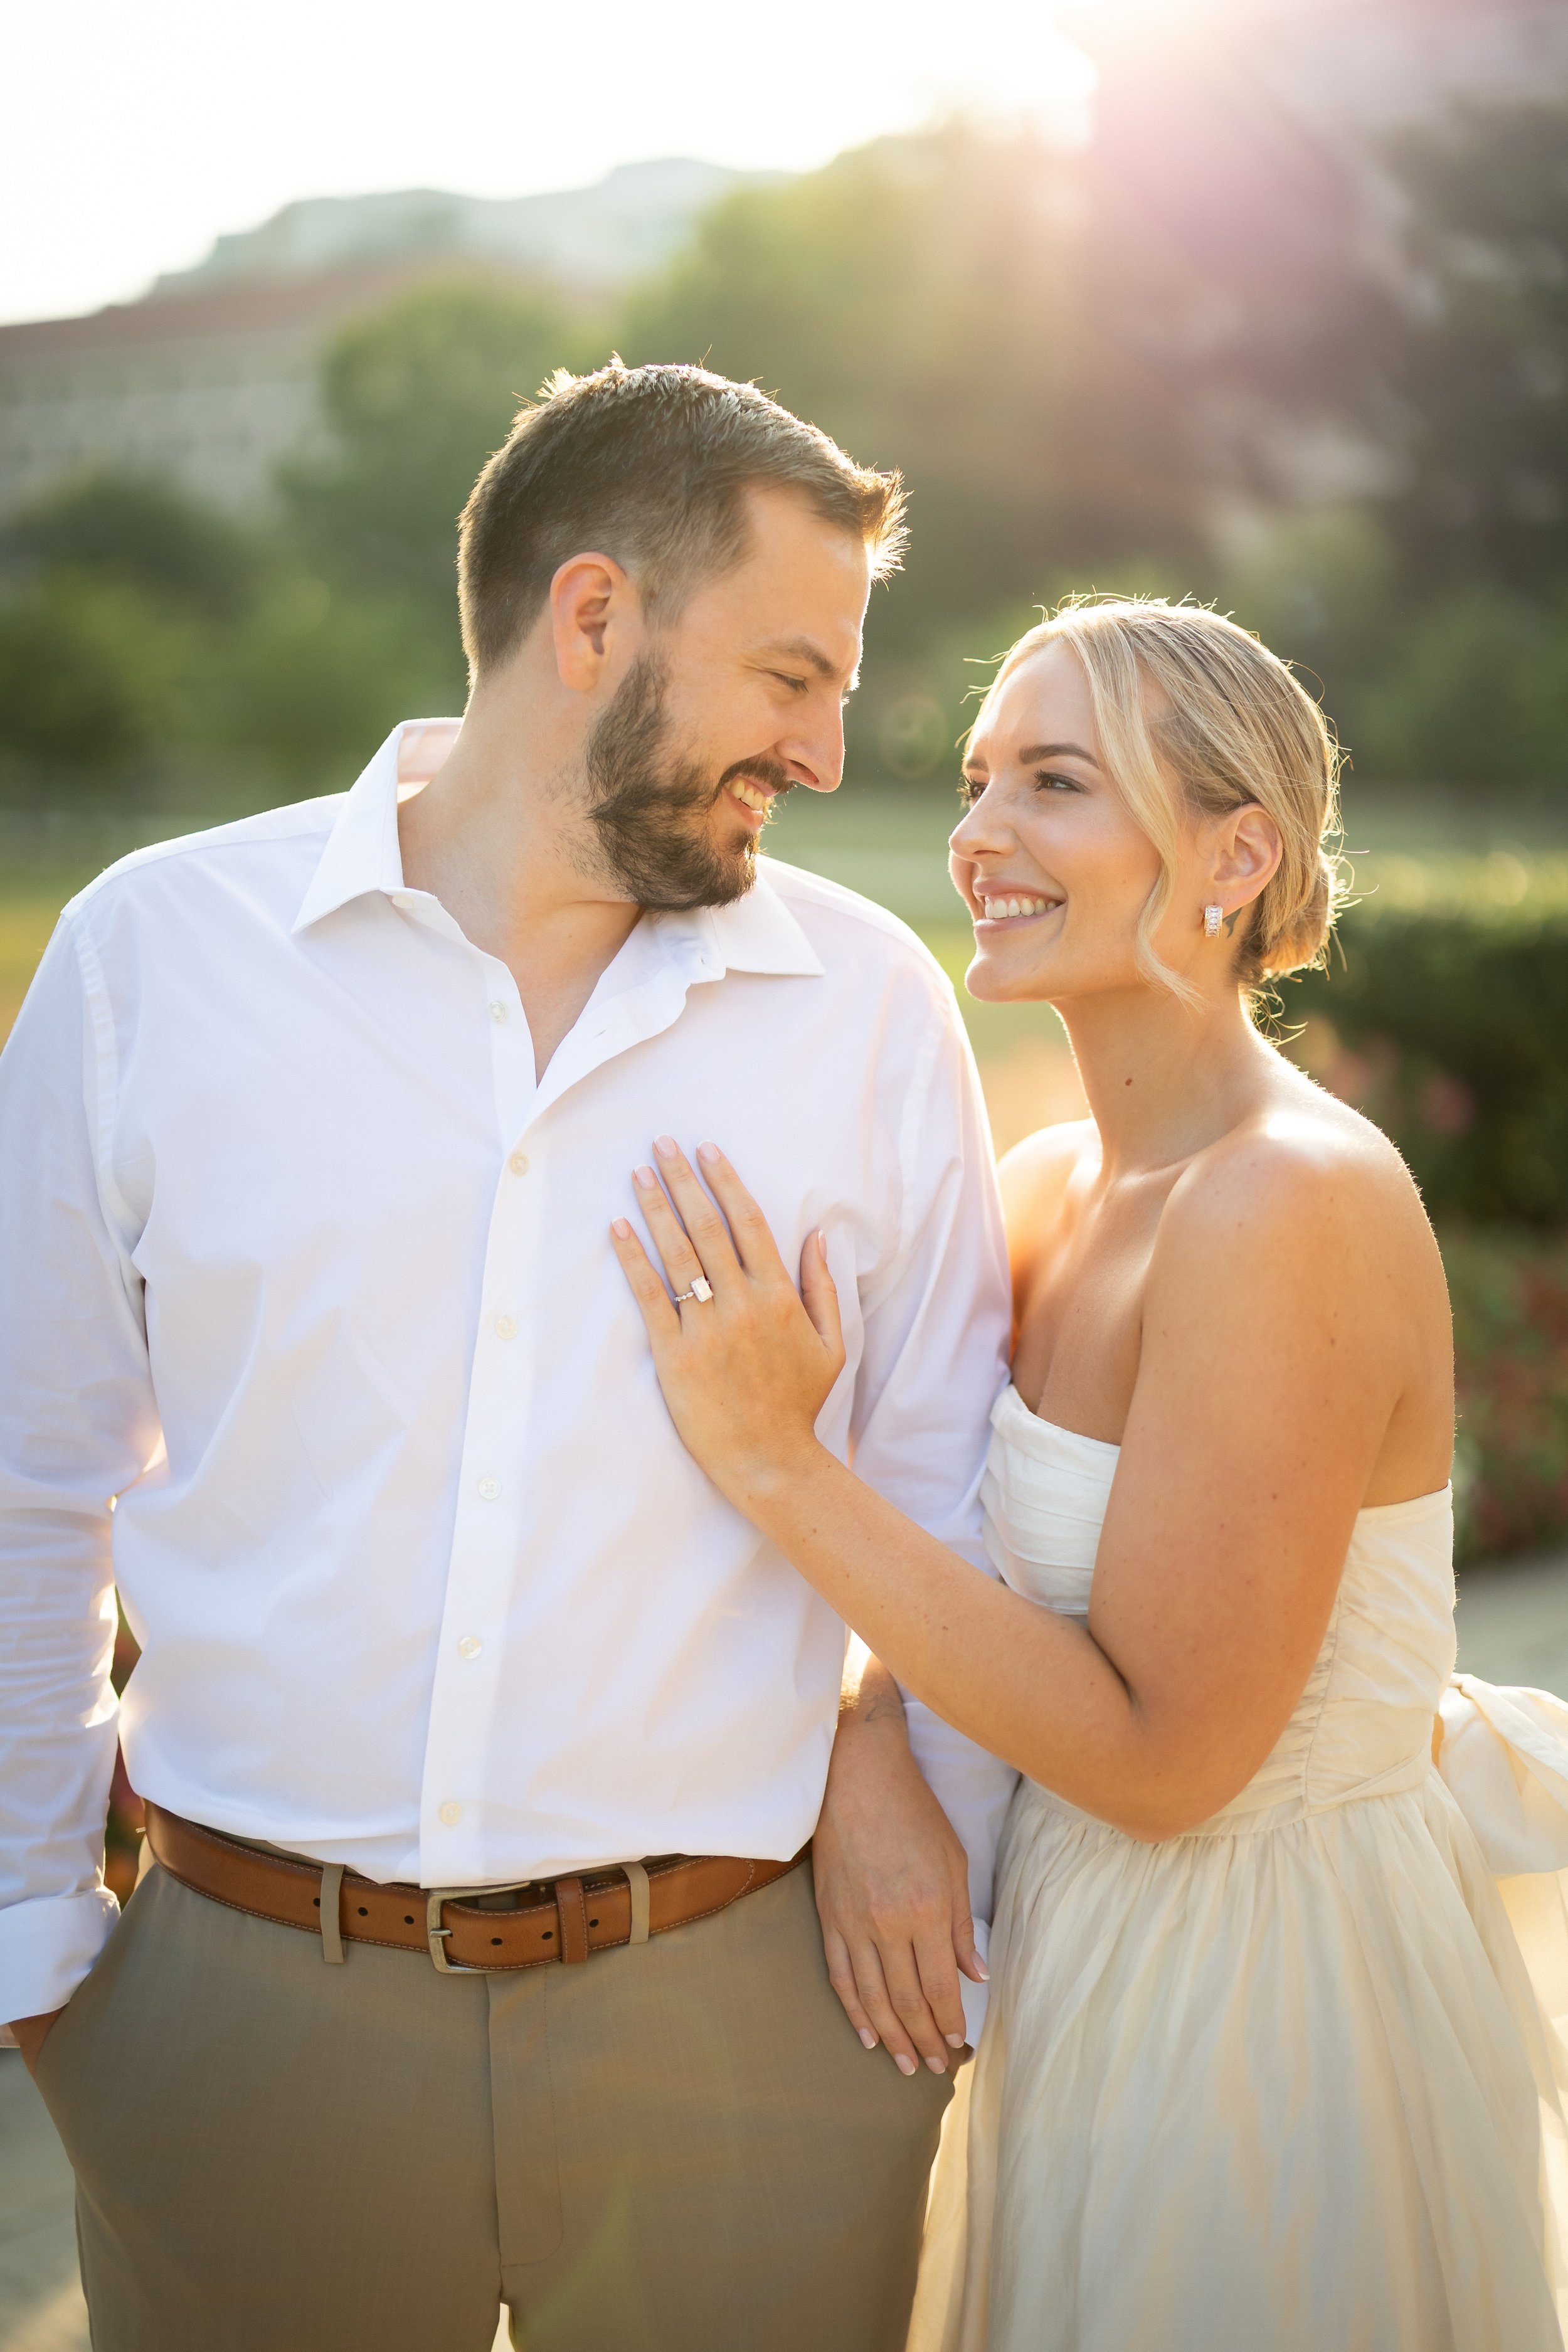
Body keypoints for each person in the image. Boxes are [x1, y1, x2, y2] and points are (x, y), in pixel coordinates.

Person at [0, 362, 1020, 2352]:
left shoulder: (866, 1012)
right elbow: (26, 1475)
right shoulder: (154, 958)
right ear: (590, 618)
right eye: (791, 675)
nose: (825, 751)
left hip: (749, 2041)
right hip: (238, 2033)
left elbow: (939, 1491)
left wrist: (901, 1794)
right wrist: (41, 1951)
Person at [611, 596, 1568, 2351]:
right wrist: (860, 1726)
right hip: (1071, 1958)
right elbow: (952, 1569)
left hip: (1264, 2010)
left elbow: (1164, 1761)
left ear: (1231, 854)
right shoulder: (1048, 1188)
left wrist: (773, 1463)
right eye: (977, 781)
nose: (980, 836)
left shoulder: (1289, 1204)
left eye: (1054, 783)